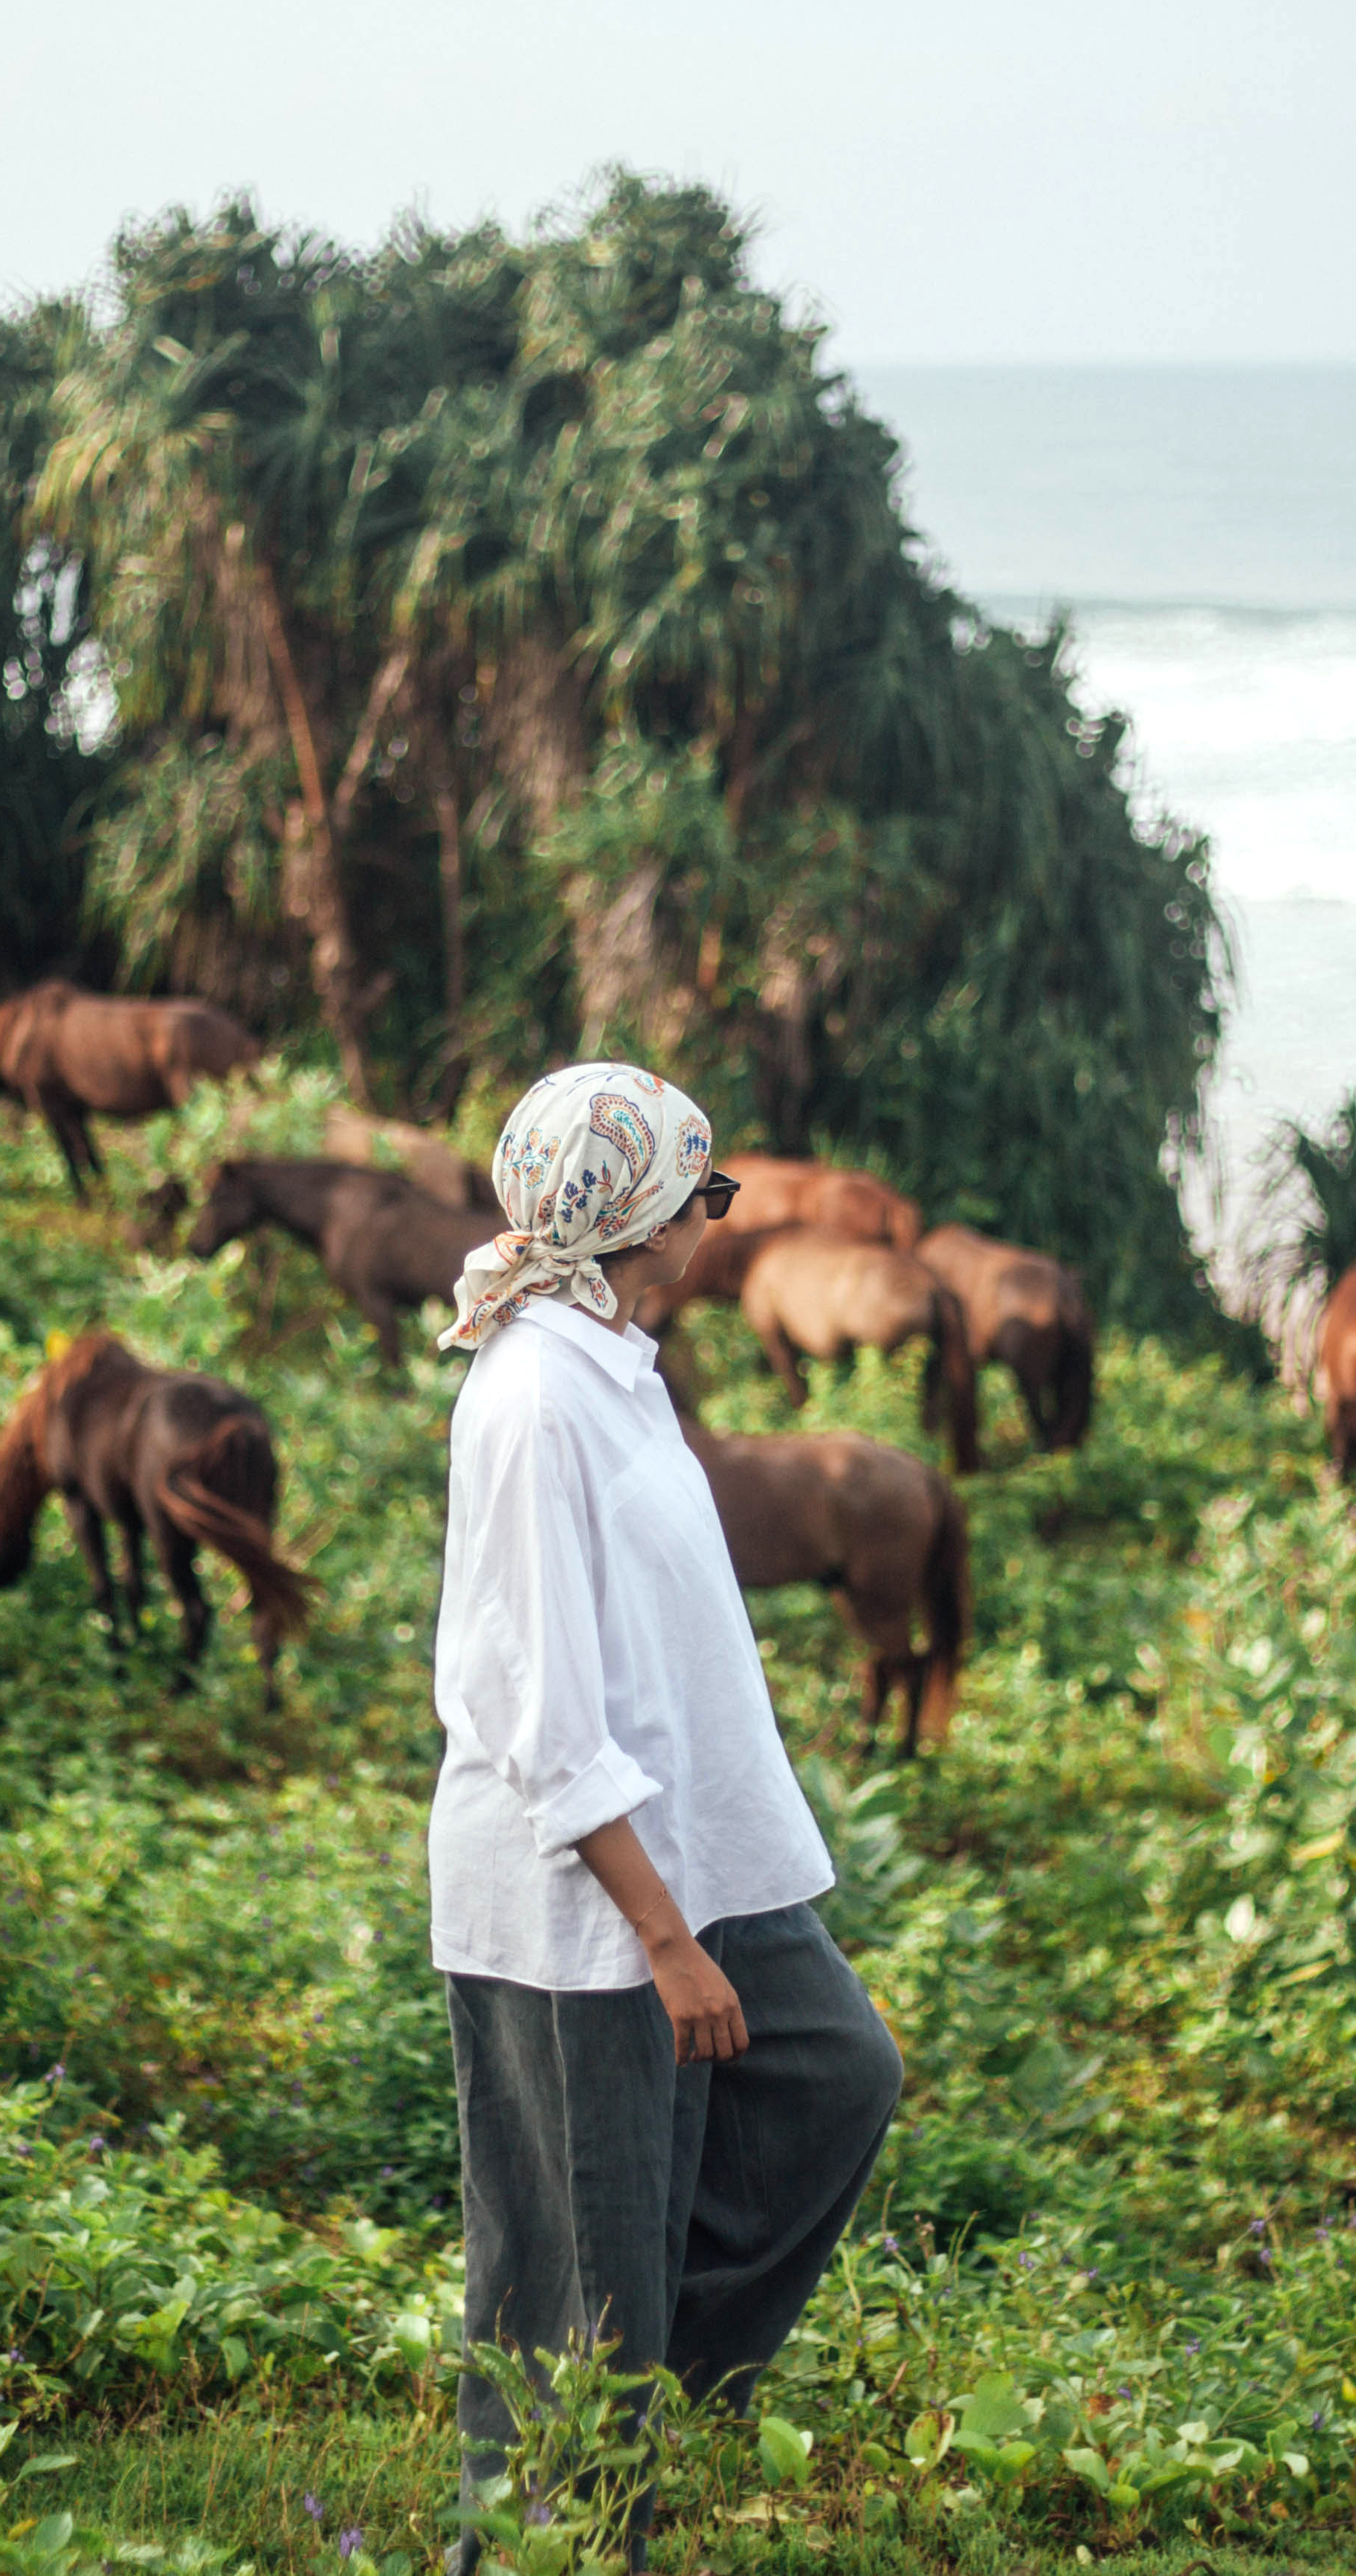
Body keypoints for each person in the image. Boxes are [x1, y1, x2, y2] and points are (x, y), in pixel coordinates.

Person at [428, 1062, 905, 2563]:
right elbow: (535, 1705)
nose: (720, 1215)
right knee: (574, 2256)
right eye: (707, 1192)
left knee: (837, 2074)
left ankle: (632, 2383)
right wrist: (659, 1935)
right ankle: (540, 2530)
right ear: (641, 1214)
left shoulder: (614, 1364)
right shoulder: (529, 1403)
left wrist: (695, 1916)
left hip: (698, 1866)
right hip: (585, 1907)